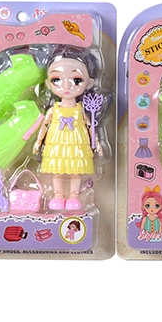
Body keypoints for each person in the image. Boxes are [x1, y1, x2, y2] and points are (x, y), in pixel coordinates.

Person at [34, 47, 103, 210]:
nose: (66, 85)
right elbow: (44, 125)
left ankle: (74, 196)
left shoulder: (80, 109)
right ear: (48, 83)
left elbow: (89, 125)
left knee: (75, 171)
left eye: (77, 80)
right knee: (56, 170)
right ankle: (58, 195)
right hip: (56, 142)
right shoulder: (53, 109)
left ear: (89, 83)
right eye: (56, 79)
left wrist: (96, 142)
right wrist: (38, 141)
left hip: (77, 143)